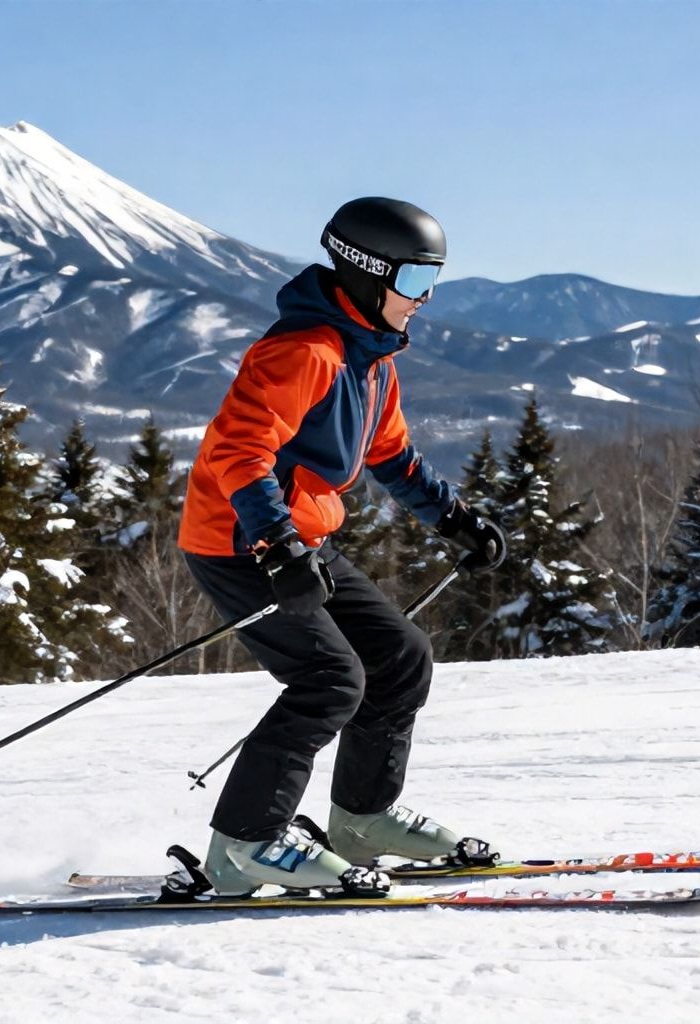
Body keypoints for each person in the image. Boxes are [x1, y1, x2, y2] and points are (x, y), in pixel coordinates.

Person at [177, 197, 508, 895]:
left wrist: (455, 521)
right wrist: (275, 542)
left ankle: (361, 818)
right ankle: (243, 846)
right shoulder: (303, 353)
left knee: (399, 657)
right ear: (367, 274)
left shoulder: (371, 360)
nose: (424, 301)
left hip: (299, 538)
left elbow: (393, 455)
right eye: (415, 282)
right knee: (329, 680)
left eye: (432, 283)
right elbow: (239, 450)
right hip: (239, 542)